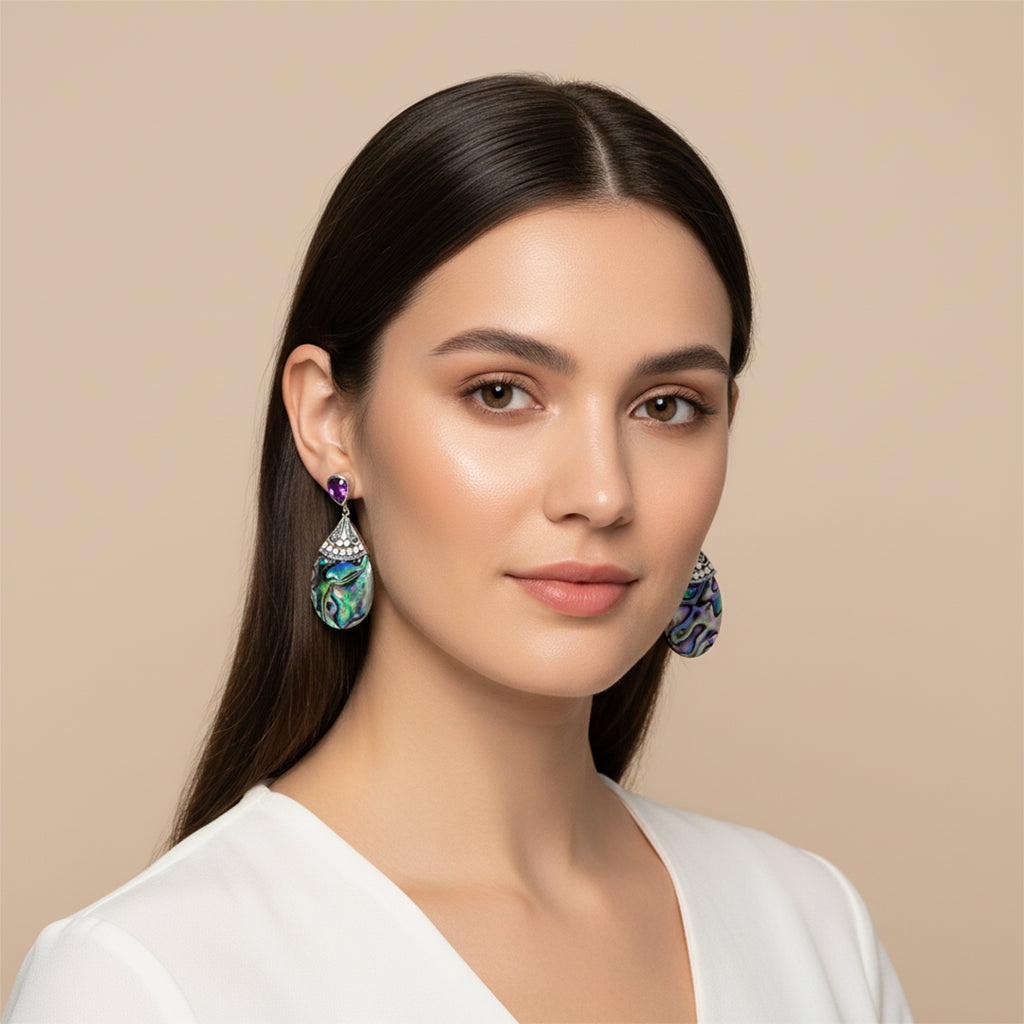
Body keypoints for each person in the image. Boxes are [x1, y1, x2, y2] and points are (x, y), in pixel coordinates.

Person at [3, 74, 912, 1024]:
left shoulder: (815, 931)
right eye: (500, 393)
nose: (602, 493)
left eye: (668, 407)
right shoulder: (145, 982)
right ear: (329, 421)